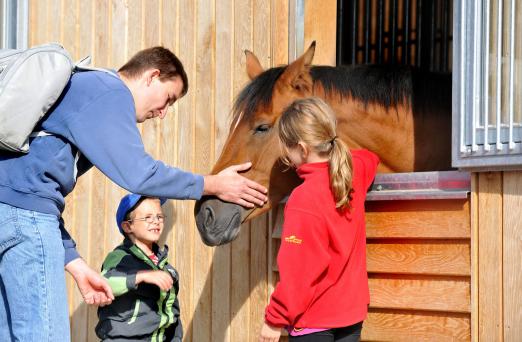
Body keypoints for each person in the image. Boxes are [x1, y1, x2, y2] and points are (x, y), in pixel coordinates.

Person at [0, 46, 267, 341]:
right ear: (152, 76)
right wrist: (213, 184)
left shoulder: (82, 90)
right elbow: (139, 174)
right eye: (169, 99)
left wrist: (74, 263)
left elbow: (29, 189)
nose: (163, 113)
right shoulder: (110, 92)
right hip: (26, 224)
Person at [259, 97, 379, 342]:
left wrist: (274, 319)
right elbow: (370, 157)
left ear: (302, 149)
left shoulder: (303, 199)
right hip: (351, 318)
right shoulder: (354, 172)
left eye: (287, 149)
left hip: (314, 322)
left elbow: (299, 271)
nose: (286, 157)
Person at [96, 194, 182, 341]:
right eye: (147, 217)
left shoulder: (167, 269)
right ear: (128, 226)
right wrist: (141, 276)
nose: (155, 221)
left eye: (159, 217)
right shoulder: (120, 257)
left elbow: (172, 312)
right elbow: (104, 283)